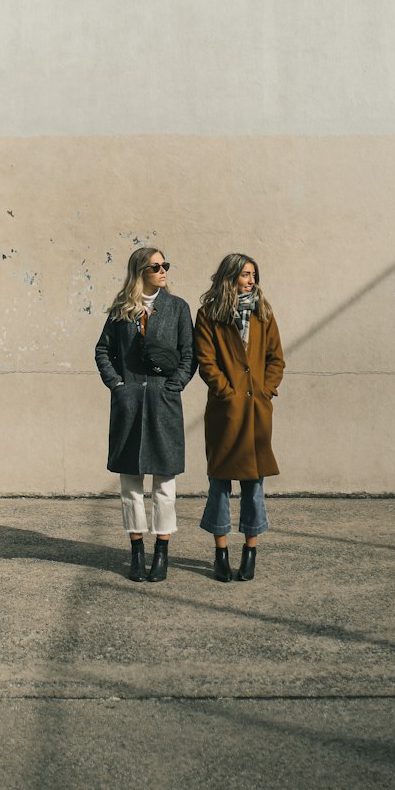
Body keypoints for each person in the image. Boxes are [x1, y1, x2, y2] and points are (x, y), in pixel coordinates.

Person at [95, 246, 195, 582]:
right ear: (140, 272)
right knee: (130, 486)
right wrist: (117, 385)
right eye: (156, 267)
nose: (163, 271)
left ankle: (162, 552)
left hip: (163, 404)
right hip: (129, 406)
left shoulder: (178, 308)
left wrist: (174, 385)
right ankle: (137, 551)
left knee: (165, 484)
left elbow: (188, 354)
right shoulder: (122, 310)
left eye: (165, 264)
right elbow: (103, 350)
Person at [194, 253, 285, 582]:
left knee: (253, 485)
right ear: (229, 277)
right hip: (225, 412)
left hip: (257, 412)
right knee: (219, 484)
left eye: (253, 274)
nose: (251, 280)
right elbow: (206, 361)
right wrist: (226, 392)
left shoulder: (264, 313)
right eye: (245, 274)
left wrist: (266, 390)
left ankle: (250, 552)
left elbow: (276, 358)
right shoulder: (209, 314)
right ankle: (220, 553)